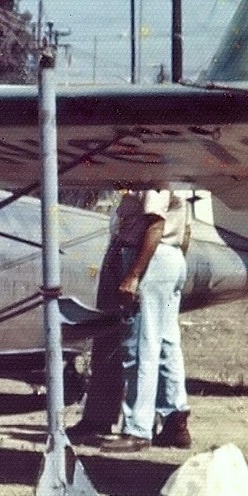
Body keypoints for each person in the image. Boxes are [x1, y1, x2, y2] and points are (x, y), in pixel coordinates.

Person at [72, 189, 194, 448]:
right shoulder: (174, 177)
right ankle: (174, 418)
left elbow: (155, 224)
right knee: (164, 343)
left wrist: (134, 274)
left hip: (146, 255)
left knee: (139, 345)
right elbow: (185, 233)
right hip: (163, 256)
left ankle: (137, 429)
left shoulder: (155, 175)